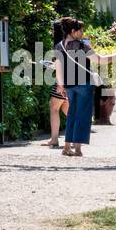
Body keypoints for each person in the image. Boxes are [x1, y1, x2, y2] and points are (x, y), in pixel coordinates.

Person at [58, 19, 97, 157]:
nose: (82, 33)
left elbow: (58, 68)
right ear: (73, 31)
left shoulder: (59, 46)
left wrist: (60, 85)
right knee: (82, 116)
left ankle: (67, 147)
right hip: (83, 84)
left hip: (69, 86)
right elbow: (101, 59)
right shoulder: (82, 46)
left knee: (72, 115)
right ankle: (78, 149)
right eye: (81, 30)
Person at [40, 18, 73, 148]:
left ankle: (54, 139)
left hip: (63, 81)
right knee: (66, 108)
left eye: (52, 30)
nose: (51, 32)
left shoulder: (60, 45)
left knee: (54, 108)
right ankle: (77, 135)